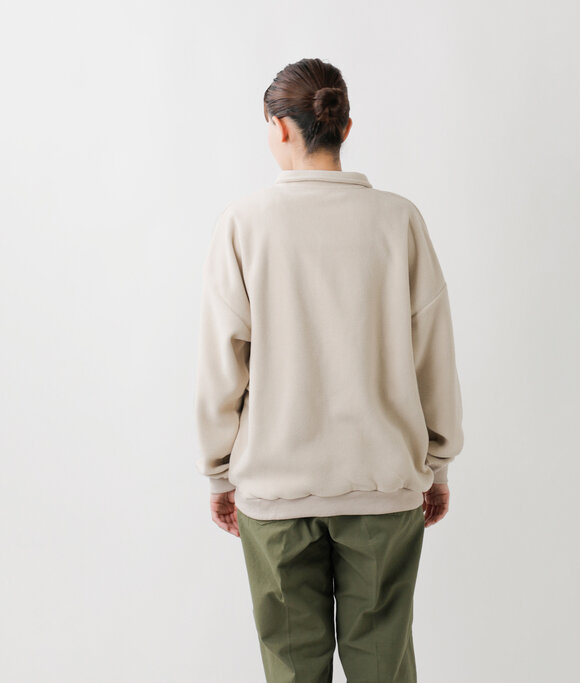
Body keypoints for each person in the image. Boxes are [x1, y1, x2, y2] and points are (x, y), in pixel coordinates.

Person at [194, 57, 464, 682]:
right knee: (383, 666)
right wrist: (439, 460)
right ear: (345, 127)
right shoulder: (398, 219)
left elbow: (221, 360)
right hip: (384, 484)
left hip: (275, 490)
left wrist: (218, 472)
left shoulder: (243, 224)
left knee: (292, 670)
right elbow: (433, 350)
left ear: (279, 127)